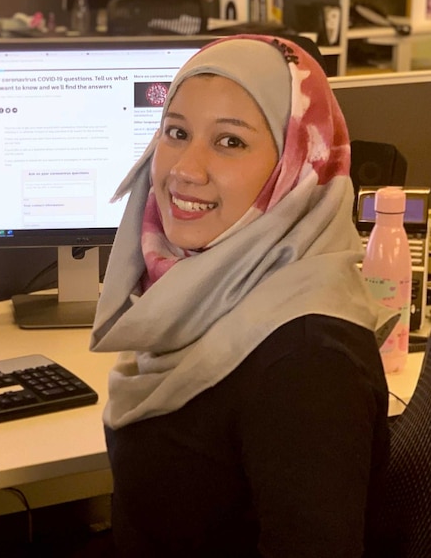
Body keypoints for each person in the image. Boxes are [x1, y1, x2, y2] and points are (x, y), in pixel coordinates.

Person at [90, 34, 393, 557]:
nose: (185, 168)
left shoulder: (307, 364)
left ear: (295, 166)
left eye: (231, 141)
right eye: (176, 132)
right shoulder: (199, 295)